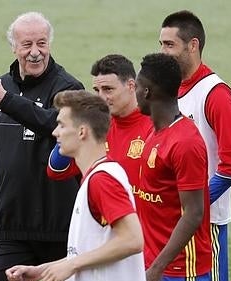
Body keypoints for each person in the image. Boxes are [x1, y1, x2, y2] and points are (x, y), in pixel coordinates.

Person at [6, 90, 150, 281]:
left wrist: (71, 266)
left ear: (82, 131)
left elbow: (132, 240)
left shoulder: (103, 180)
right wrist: (41, 271)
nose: (55, 132)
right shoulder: (94, 177)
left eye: (62, 125)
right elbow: (91, 249)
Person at [0, 12, 84, 281]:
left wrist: (9, 102)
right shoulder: (3, 86)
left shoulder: (67, 87)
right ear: (14, 47)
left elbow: (58, 127)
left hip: (60, 231)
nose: (35, 51)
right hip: (12, 229)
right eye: (27, 44)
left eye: (41, 43)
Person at [159, 10, 231, 281]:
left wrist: (196, 205)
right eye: (161, 44)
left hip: (204, 224)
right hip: (168, 219)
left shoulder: (215, 94)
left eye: (170, 45)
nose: (163, 52)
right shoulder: (169, 91)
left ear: (192, 45)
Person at [135, 53, 212, 281]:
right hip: (152, 266)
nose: (133, 93)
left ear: (147, 91)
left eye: (135, 86)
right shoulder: (152, 132)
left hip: (180, 271)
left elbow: (193, 213)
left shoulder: (185, 142)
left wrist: (158, 268)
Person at [48, 54, 153, 195]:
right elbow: (56, 170)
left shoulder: (154, 125)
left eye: (108, 89)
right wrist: (75, 121)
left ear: (131, 86)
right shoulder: (96, 127)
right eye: (97, 90)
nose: (101, 98)